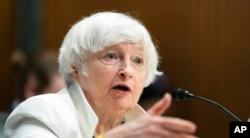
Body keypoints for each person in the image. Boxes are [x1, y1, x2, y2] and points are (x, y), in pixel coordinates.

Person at [4, 11, 197, 138]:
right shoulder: (44, 112)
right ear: (76, 69)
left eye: (137, 60)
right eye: (111, 56)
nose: (127, 71)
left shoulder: (147, 129)